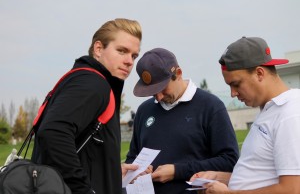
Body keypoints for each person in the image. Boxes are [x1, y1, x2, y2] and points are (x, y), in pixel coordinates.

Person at [31, 18, 142, 194]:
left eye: (134, 55)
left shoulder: (86, 80)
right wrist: (83, 190)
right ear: (98, 49)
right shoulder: (93, 83)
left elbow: (83, 148)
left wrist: (110, 171)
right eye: (122, 51)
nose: (130, 61)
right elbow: (54, 132)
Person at [191, 36, 300, 194]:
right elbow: (260, 176)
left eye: (236, 84)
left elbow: (292, 189)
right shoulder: (270, 110)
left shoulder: (290, 114)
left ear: (259, 73)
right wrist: (220, 177)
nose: (233, 93)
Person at [125, 48, 239, 194]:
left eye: (162, 88)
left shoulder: (210, 106)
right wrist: (136, 170)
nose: (158, 97)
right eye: (153, 91)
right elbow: (132, 157)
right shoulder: (144, 110)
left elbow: (229, 160)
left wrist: (177, 171)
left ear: (178, 74)